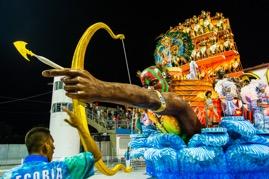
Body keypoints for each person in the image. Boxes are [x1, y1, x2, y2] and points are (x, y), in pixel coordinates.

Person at [42, 68, 201, 139]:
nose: (150, 88)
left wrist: (101, 89)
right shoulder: (151, 114)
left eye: (154, 82)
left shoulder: (178, 103)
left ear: (166, 79)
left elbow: (149, 98)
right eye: (145, 85)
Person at [2, 108, 102, 179]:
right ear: (45, 146)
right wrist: (80, 126)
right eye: (52, 144)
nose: (54, 148)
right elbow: (95, 155)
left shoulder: (8, 175)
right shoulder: (62, 167)